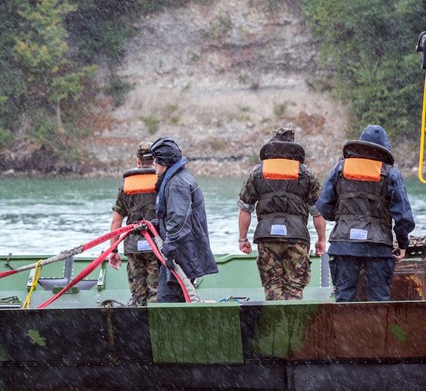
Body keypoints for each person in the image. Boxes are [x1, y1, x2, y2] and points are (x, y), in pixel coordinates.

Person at [315, 125, 415, 302]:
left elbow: (323, 206)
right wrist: (402, 244)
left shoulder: (339, 169)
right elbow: (403, 216)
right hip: (377, 247)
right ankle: (376, 329)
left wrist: (344, 219)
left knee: (344, 298)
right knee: (379, 300)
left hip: (343, 245)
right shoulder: (390, 174)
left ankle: (345, 330)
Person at [237, 128, 327, 301]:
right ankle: (292, 326)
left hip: (266, 236)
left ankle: (275, 325)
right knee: (294, 288)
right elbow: (318, 212)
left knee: (272, 285)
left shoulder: (257, 172)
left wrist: (243, 239)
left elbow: (245, 208)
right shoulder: (306, 173)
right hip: (297, 237)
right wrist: (321, 239)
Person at [149, 137, 217, 302]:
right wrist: (156, 225)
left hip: (181, 253)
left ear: (163, 163)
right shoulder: (180, 178)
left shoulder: (177, 184)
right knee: (178, 297)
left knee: (168, 299)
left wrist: (168, 247)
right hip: (184, 250)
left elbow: (179, 220)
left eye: (155, 161)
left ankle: (171, 327)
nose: (153, 165)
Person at [108, 142, 159, 306]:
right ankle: (156, 322)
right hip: (156, 244)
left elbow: (116, 221)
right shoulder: (162, 184)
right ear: (155, 160)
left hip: (133, 246)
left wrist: (113, 250)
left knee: (138, 295)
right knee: (156, 293)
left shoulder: (126, 187)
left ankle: (138, 323)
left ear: (138, 161)